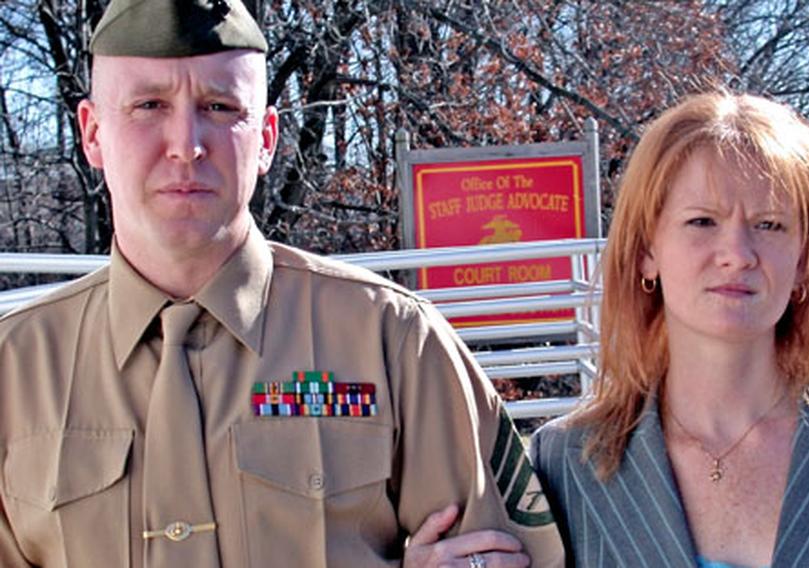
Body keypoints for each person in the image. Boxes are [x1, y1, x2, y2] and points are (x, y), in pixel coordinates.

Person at [0, 1, 565, 566]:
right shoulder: (16, 370)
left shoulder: (394, 342)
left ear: (267, 137)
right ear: (93, 133)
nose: (186, 144)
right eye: (149, 105)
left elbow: (509, 555)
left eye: (219, 107)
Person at [531, 92, 809, 567]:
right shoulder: (565, 463)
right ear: (648, 249)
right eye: (702, 221)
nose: (737, 253)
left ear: (806, 261)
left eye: (769, 224)